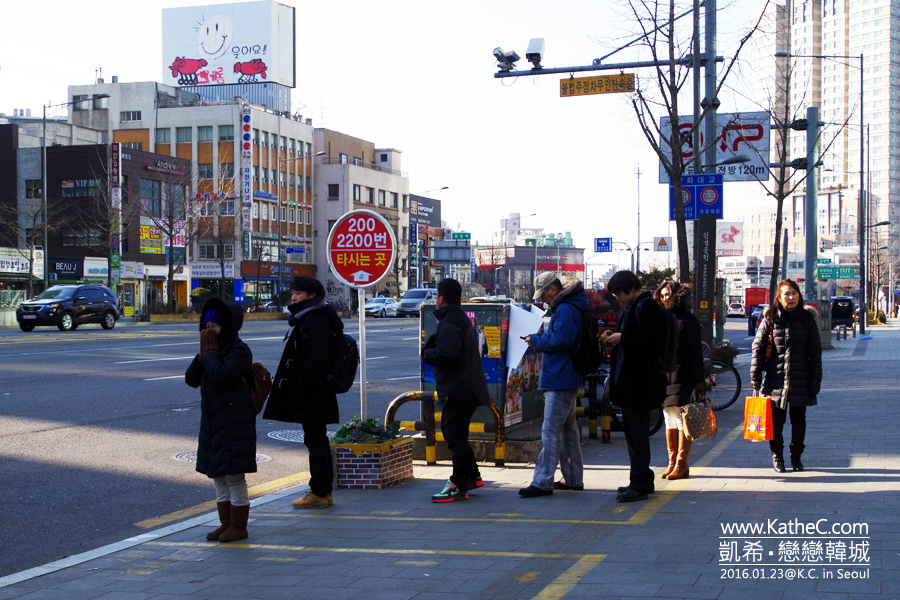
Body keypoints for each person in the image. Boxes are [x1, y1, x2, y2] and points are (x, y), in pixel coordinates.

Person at [263, 276, 344, 508]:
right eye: (293, 293)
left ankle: (319, 491)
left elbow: (316, 359)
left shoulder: (315, 320)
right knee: (317, 439)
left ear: (311, 296)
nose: (293, 297)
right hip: (316, 389)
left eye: (297, 293)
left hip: (313, 390)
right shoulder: (313, 316)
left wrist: (301, 388)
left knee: (315, 440)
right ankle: (322, 491)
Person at [185, 298, 256, 543]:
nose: (209, 330)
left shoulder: (239, 350)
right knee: (217, 475)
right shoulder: (209, 350)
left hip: (234, 421)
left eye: (214, 326)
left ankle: (238, 526)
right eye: (206, 325)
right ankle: (225, 523)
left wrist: (209, 355)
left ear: (227, 326)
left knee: (234, 475)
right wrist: (203, 354)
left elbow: (221, 376)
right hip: (213, 421)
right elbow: (191, 379)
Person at [422, 278, 491, 502]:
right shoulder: (458, 318)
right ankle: (472, 476)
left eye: (436, 296)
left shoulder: (450, 322)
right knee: (458, 434)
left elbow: (446, 356)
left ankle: (458, 483)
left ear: (441, 298)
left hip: (459, 389)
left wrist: (427, 353)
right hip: (467, 387)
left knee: (454, 436)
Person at [518, 272, 586, 498]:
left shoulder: (565, 309)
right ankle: (573, 478)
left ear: (552, 290)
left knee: (550, 431)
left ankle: (542, 481)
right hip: (566, 376)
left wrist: (535, 340)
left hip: (560, 377)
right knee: (567, 431)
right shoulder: (571, 306)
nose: (542, 300)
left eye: (543, 295)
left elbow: (561, 340)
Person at [605, 270, 665, 502]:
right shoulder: (634, 306)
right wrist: (616, 335)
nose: (617, 299)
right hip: (632, 382)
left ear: (630, 288)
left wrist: (623, 338)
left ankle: (639, 484)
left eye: (619, 293)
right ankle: (640, 480)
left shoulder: (646, 306)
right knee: (633, 434)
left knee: (637, 435)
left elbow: (652, 341)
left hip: (641, 383)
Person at [750, 279, 822, 473]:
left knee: (799, 421)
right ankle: (777, 456)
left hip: (801, 378)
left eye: (793, 293)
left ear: (799, 295)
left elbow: (815, 352)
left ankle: (796, 457)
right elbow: (758, 348)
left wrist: (816, 378)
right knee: (776, 422)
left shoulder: (807, 320)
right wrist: (755, 376)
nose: (790, 298)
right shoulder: (771, 319)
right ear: (779, 298)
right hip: (775, 379)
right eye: (786, 294)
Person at [654, 281, 705, 481]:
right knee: (669, 419)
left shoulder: (688, 319)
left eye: (669, 294)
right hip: (664, 375)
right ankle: (672, 462)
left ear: (677, 295)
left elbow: (696, 352)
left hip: (684, 374)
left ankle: (681, 464)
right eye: (662, 295)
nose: (665, 298)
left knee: (684, 419)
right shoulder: (661, 318)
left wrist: (699, 381)